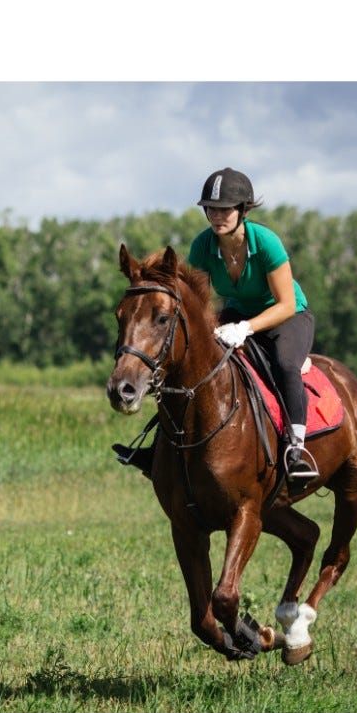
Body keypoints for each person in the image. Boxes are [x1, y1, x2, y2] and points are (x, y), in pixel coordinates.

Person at [115, 166, 318, 484]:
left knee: (284, 364)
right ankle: (156, 448)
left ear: (243, 209)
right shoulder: (202, 246)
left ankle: (296, 449)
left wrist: (246, 328)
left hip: (286, 317)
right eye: (211, 208)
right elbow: (197, 303)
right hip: (235, 314)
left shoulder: (266, 242)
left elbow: (286, 304)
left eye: (225, 209)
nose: (217, 215)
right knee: (189, 363)